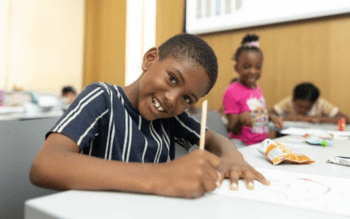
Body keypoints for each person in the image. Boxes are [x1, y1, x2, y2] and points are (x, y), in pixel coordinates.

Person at [29, 33, 270, 199]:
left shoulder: (170, 118)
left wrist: (232, 155)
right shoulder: (102, 98)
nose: (171, 99)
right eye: (172, 79)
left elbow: (215, 139)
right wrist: (163, 177)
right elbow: (45, 166)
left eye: (187, 99)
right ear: (150, 59)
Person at [223, 34, 283, 148]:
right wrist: (241, 119)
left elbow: (259, 112)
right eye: (247, 67)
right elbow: (233, 130)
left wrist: (271, 117)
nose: (253, 71)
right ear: (236, 68)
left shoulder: (257, 88)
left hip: (261, 143)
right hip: (242, 144)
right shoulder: (231, 91)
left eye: (257, 67)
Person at [270, 82, 349, 124]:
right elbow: (270, 114)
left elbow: (345, 119)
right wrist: (285, 119)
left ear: (315, 102)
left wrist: (317, 119)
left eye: (307, 108)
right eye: (299, 106)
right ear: (293, 100)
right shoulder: (288, 102)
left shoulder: (321, 104)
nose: (303, 110)